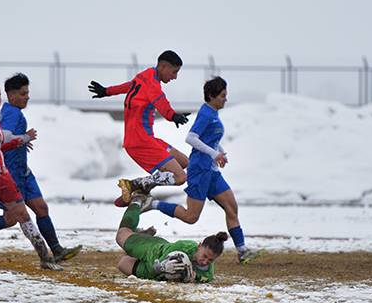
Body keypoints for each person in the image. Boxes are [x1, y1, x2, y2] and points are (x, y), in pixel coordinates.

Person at [0, 73, 82, 265]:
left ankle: (55, 250)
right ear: (12, 95)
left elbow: (5, 139)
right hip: (10, 173)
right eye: (23, 94)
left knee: (41, 208)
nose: (27, 97)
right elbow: (2, 139)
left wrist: (20, 141)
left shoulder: (8, 113)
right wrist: (22, 139)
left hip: (23, 171)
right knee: (10, 219)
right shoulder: (11, 114)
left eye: (28, 93)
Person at [143, 76, 260, 264]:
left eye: (226, 95)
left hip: (211, 171)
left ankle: (242, 250)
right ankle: (151, 204)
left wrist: (220, 152)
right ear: (212, 96)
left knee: (231, 207)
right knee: (191, 217)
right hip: (199, 169)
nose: (225, 99)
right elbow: (191, 138)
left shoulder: (213, 113)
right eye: (222, 95)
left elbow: (209, 139)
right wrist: (214, 154)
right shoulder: (206, 114)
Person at [88, 50, 191, 204]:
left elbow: (129, 86)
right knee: (180, 177)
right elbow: (161, 102)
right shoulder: (153, 85)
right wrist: (172, 116)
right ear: (163, 66)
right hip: (140, 142)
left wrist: (106, 91)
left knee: (186, 163)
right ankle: (137, 184)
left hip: (146, 139)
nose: (175, 77)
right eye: (174, 72)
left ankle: (140, 188)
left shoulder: (146, 75)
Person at [115, 192, 227, 283]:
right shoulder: (184, 246)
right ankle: (137, 200)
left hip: (152, 274)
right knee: (121, 235)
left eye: (211, 260)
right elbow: (160, 262)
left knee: (122, 264)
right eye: (205, 256)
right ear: (199, 246)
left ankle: (140, 235)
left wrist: (190, 279)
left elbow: (193, 281)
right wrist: (162, 267)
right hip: (152, 250)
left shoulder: (207, 275)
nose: (205, 261)